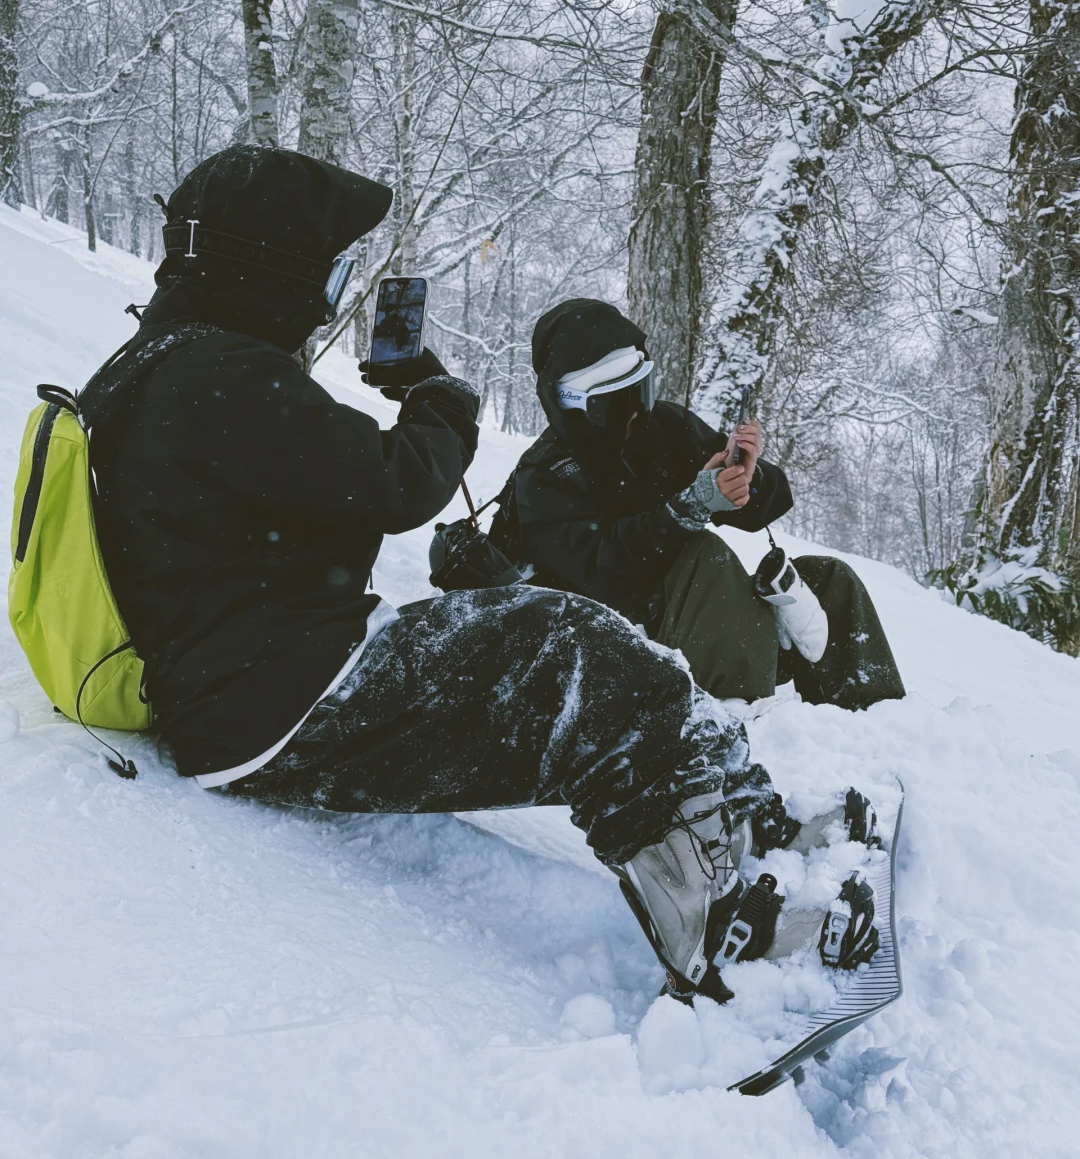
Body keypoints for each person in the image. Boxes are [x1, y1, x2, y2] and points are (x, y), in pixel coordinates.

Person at [82, 145, 882, 1007]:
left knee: (597, 650)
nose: (336, 288)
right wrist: (444, 397)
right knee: (574, 647)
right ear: (271, 264)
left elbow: (312, 484)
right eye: (333, 266)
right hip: (274, 702)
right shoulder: (219, 371)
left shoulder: (169, 361)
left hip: (268, 681)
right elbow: (399, 482)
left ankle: (752, 824)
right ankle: (721, 928)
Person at [490, 299, 905, 711]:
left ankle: (878, 725)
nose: (634, 412)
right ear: (573, 405)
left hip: (712, 627)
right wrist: (689, 506)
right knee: (704, 553)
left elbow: (768, 503)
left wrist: (745, 476)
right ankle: (742, 732)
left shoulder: (661, 428)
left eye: (641, 391)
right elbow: (602, 572)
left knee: (830, 580)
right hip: (626, 652)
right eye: (615, 403)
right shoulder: (546, 476)